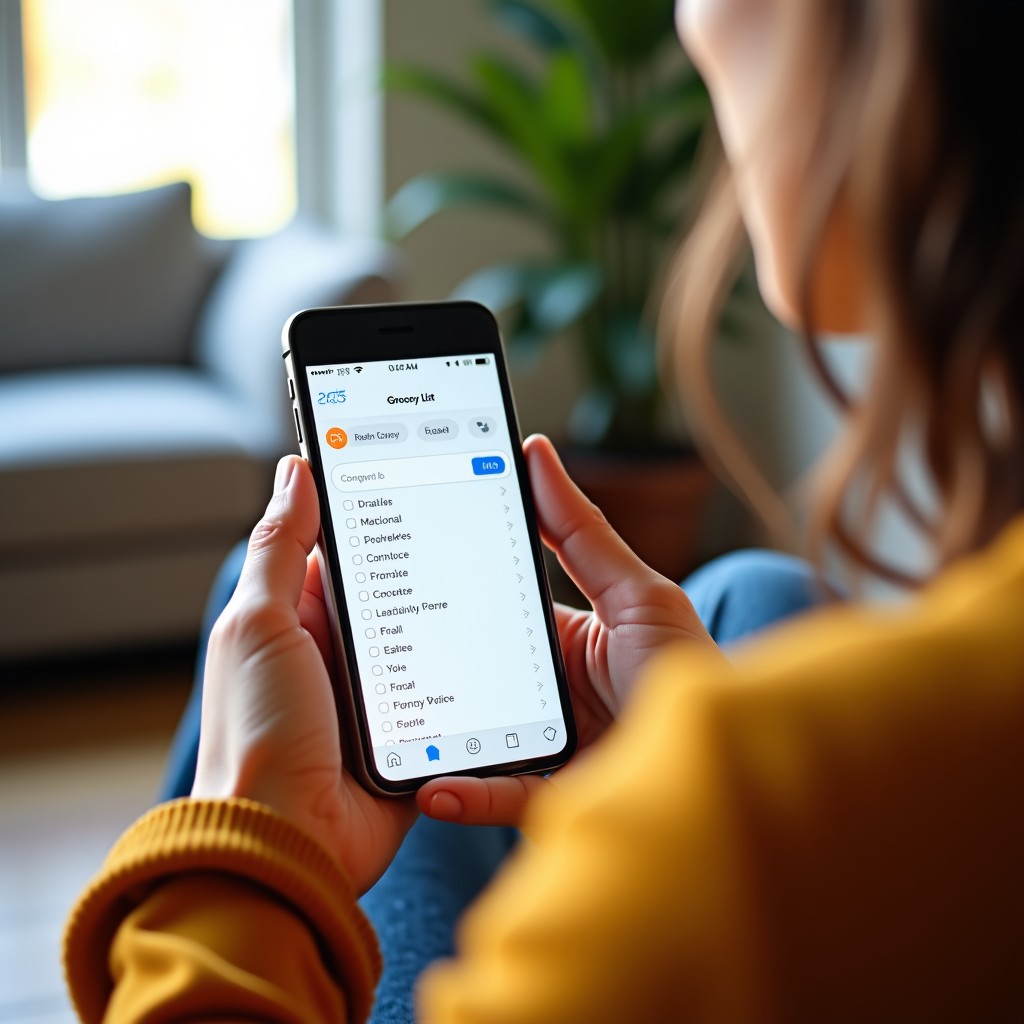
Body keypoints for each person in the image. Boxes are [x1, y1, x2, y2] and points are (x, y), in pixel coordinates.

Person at [64, 0, 1024, 1021]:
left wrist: (248, 840)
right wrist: (671, 759)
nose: (690, 22)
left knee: (288, 630)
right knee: (757, 588)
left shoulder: (746, 829)